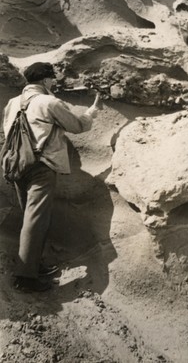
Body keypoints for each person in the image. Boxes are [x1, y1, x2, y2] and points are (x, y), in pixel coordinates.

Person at [2, 62, 101, 292]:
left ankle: (34, 265)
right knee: (36, 221)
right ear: (46, 80)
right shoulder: (49, 102)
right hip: (41, 167)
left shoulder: (12, 103)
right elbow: (76, 126)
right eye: (52, 80)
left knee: (31, 218)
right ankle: (26, 278)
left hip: (16, 165)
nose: (53, 83)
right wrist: (90, 114)